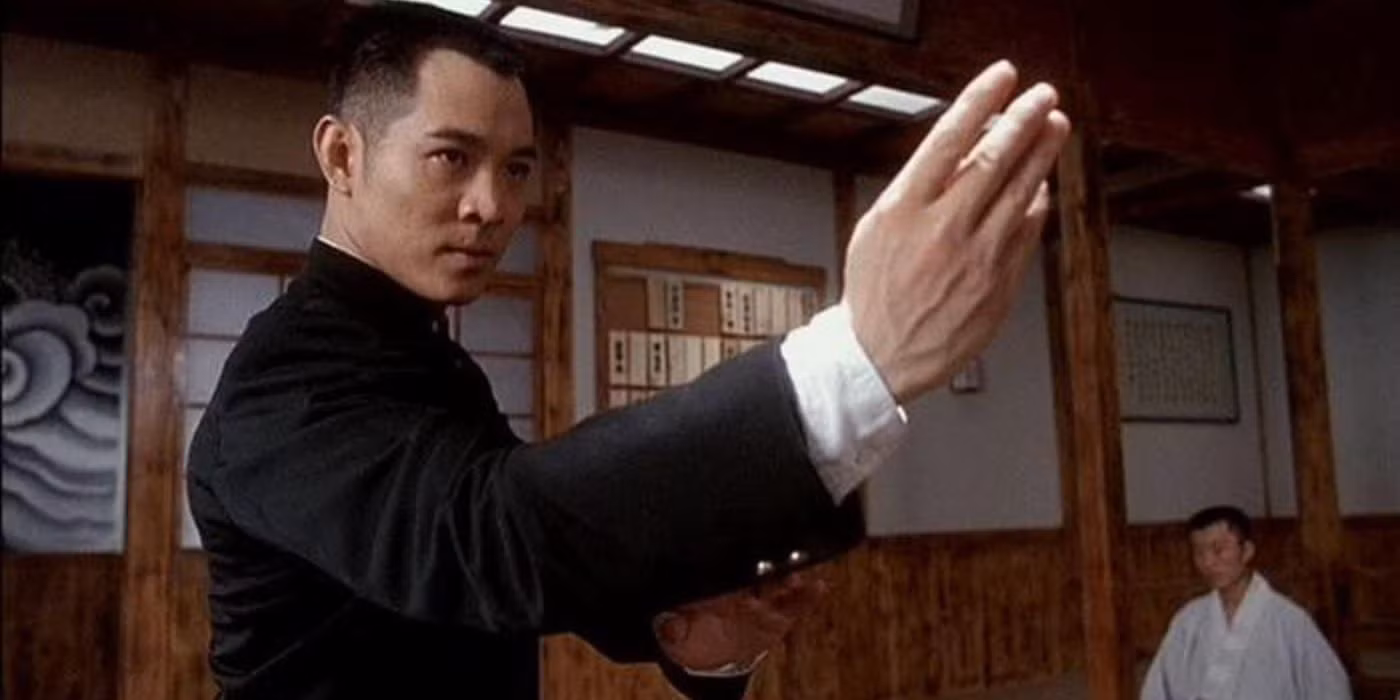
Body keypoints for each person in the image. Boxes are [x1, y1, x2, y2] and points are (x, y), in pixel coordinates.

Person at [185, 2, 1070, 698]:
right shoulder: (281, 381)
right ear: (342, 155)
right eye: (451, 158)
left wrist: (685, 634)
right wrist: (853, 354)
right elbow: (486, 536)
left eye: (516, 168)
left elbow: (516, 572)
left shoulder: (427, 358)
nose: (493, 205)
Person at [1140, 505, 1352, 700]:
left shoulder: (1289, 621)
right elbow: (1157, 689)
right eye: (1199, 553)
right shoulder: (1188, 621)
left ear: (1247, 551)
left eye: (1218, 550)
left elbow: (1330, 690)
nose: (1208, 562)